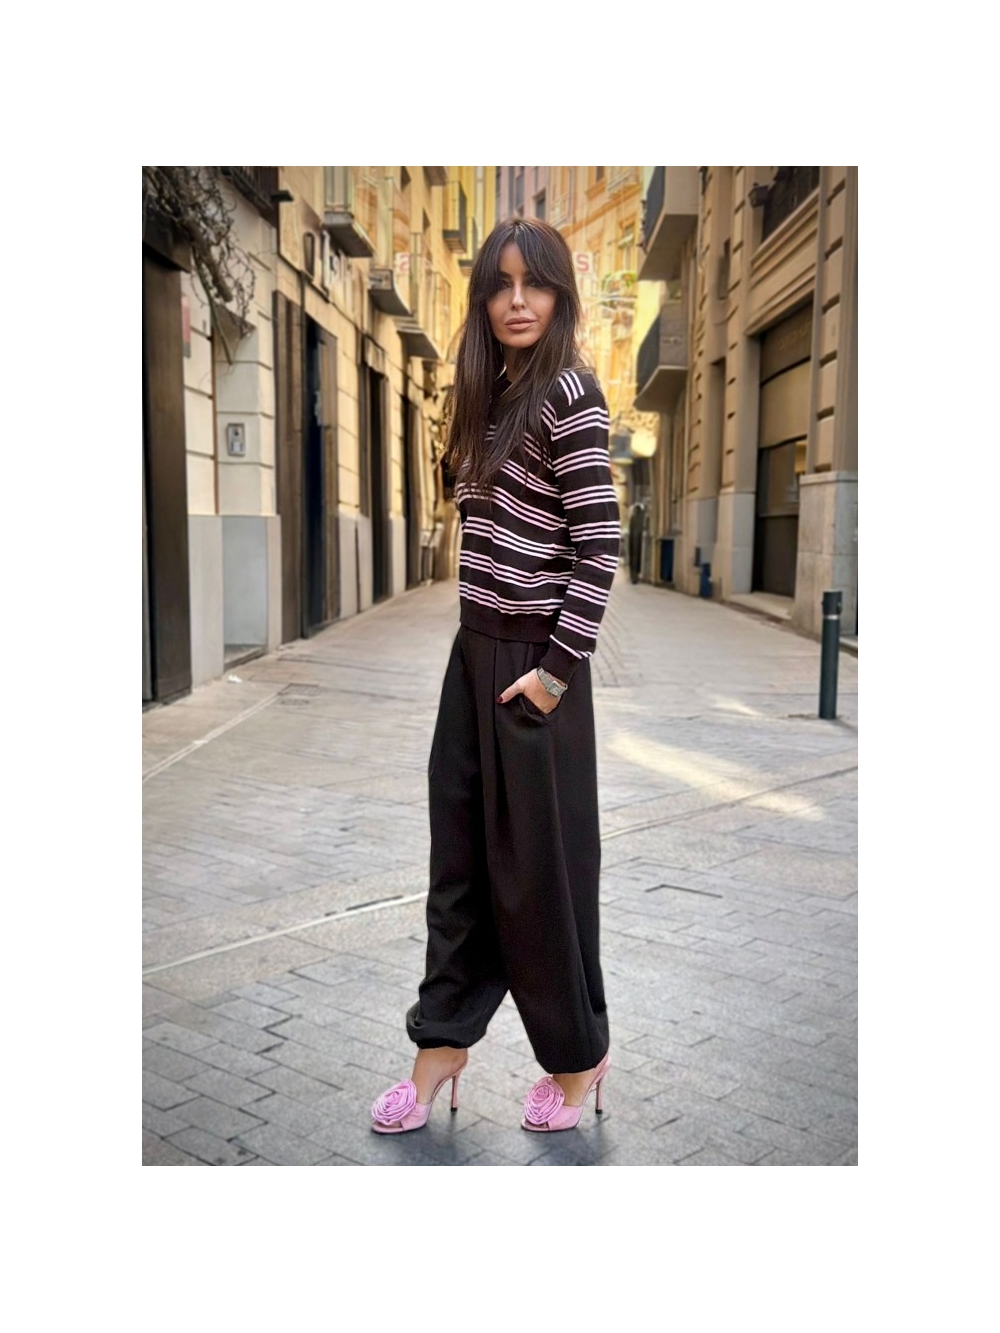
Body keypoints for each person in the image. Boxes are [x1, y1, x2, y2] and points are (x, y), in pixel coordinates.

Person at [370, 217, 620, 1136]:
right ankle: (441, 1045)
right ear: (483, 299)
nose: (518, 301)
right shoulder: (483, 396)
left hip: (535, 671)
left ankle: (576, 1058)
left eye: (536, 283)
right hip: (473, 656)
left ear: (560, 296)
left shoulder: (570, 393)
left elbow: (599, 544)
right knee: (460, 862)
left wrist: (554, 674)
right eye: (502, 285)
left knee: (541, 878)